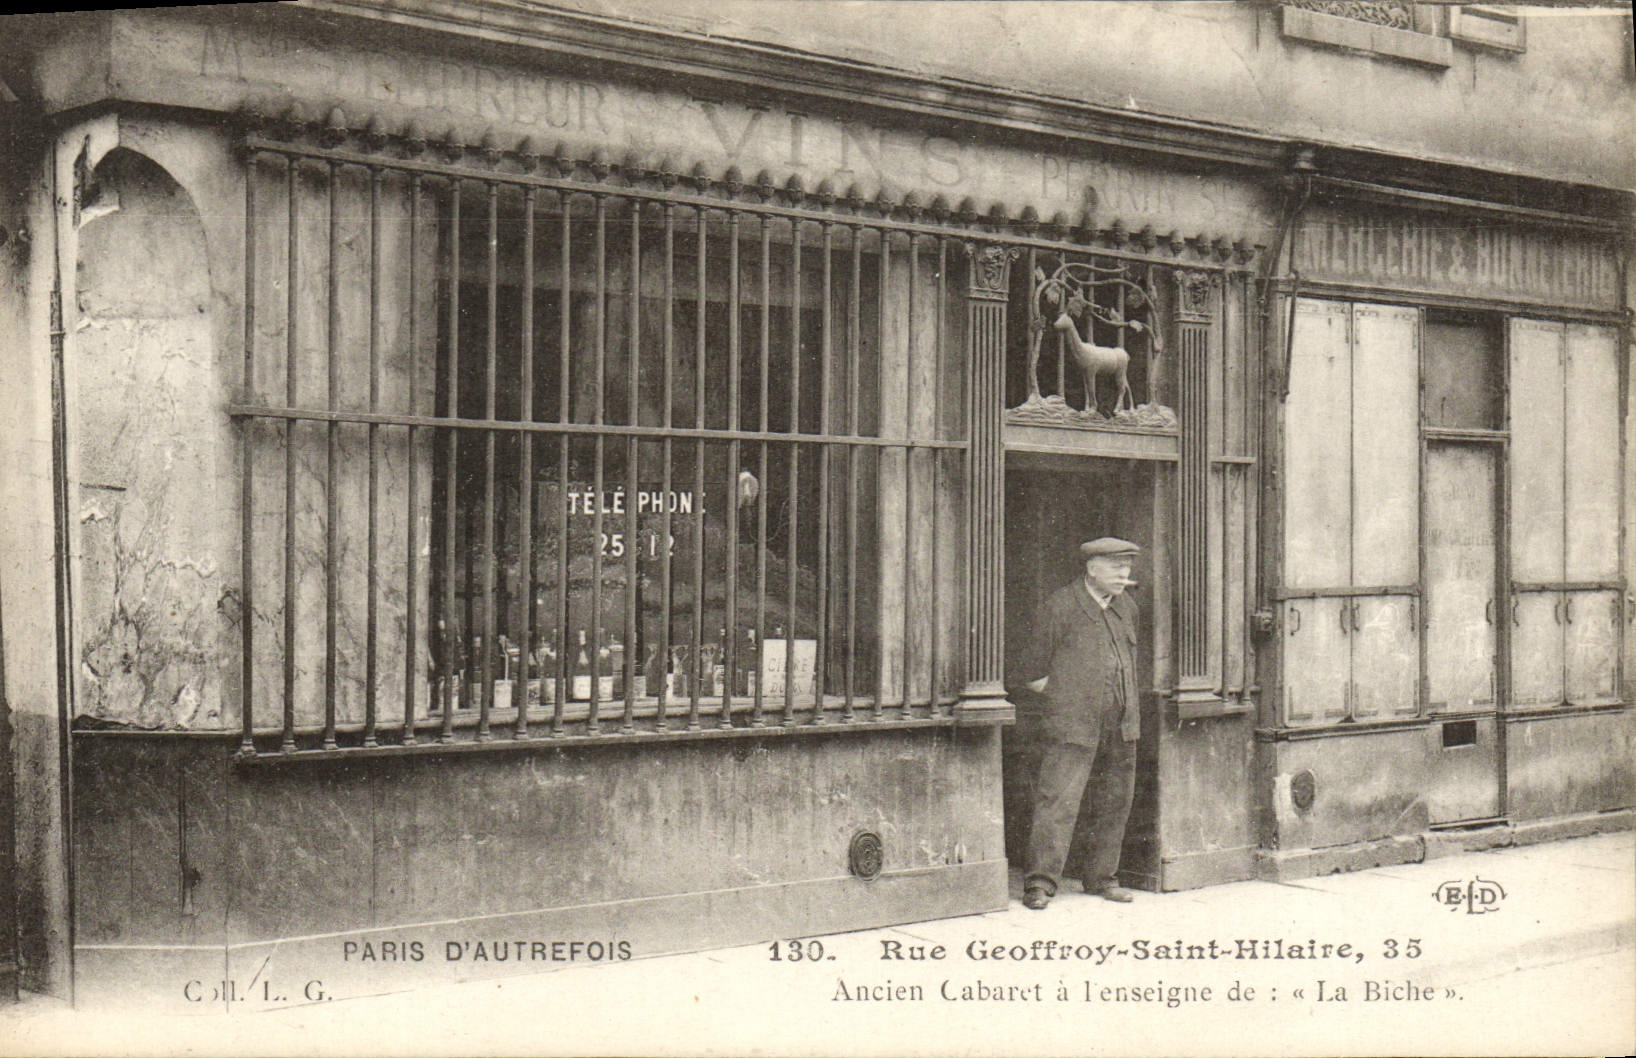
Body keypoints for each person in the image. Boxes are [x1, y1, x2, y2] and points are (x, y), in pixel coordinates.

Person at [1021, 537, 1142, 911]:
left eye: (1127, 568)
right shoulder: (1060, 607)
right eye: (1115, 567)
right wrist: (1069, 700)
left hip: (1121, 724)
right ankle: (1040, 884)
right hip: (1074, 724)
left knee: (1114, 802)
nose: (1124, 575)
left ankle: (1103, 878)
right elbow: (1032, 674)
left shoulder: (1127, 609)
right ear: (1092, 569)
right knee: (1058, 802)